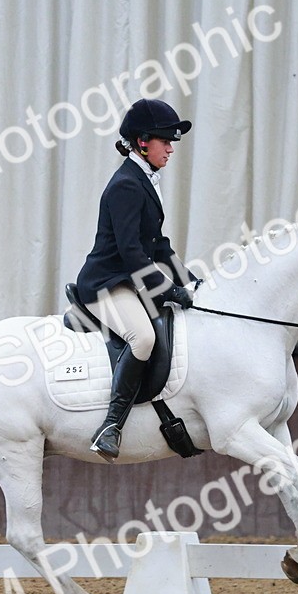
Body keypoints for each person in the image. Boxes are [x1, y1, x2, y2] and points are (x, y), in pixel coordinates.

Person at [74, 98, 197, 461]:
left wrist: (190, 282)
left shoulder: (144, 179)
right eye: (164, 141)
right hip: (106, 283)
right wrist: (168, 290)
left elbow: (158, 244)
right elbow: (131, 254)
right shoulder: (126, 185)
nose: (171, 149)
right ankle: (111, 426)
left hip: (128, 278)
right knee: (142, 337)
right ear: (143, 142)